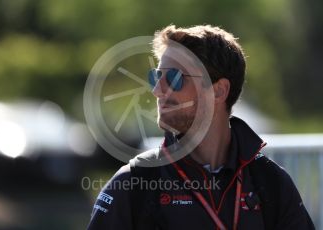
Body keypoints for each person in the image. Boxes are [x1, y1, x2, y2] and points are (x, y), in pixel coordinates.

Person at [87, 25, 315, 230]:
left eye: (174, 78)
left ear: (218, 91)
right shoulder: (135, 182)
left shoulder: (271, 182)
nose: (158, 90)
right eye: (156, 77)